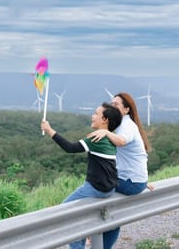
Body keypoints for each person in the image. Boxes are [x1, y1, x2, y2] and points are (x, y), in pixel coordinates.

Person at [41, 102, 123, 249]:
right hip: (109, 189)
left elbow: (70, 148)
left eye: (96, 113)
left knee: (64, 211)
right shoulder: (111, 138)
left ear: (105, 120)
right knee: (80, 214)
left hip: (96, 188)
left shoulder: (96, 139)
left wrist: (49, 130)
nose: (92, 116)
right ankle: (87, 233)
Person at [87, 92, 152, 248]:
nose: (112, 106)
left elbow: (122, 141)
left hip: (130, 182)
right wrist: (142, 182)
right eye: (111, 103)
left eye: (116, 104)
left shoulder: (126, 125)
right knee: (113, 214)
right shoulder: (121, 124)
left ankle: (88, 231)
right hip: (134, 180)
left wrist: (106, 132)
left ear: (127, 110)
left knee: (94, 189)